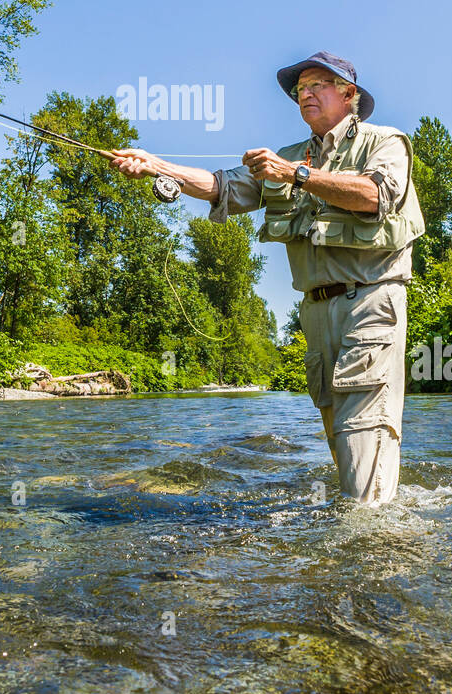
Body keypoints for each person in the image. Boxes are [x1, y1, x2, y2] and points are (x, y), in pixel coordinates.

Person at [111, 52, 425, 505]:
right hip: (316, 314)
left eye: (318, 84)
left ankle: (373, 551)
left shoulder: (384, 142)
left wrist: (297, 175)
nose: (306, 94)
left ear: (349, 94)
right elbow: (222, 186)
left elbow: (377, 195)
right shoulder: (291, 156)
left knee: (362, 440)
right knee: (344, 446)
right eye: (300, 90)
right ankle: (363, 535)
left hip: (371, 303)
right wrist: (158, 166)